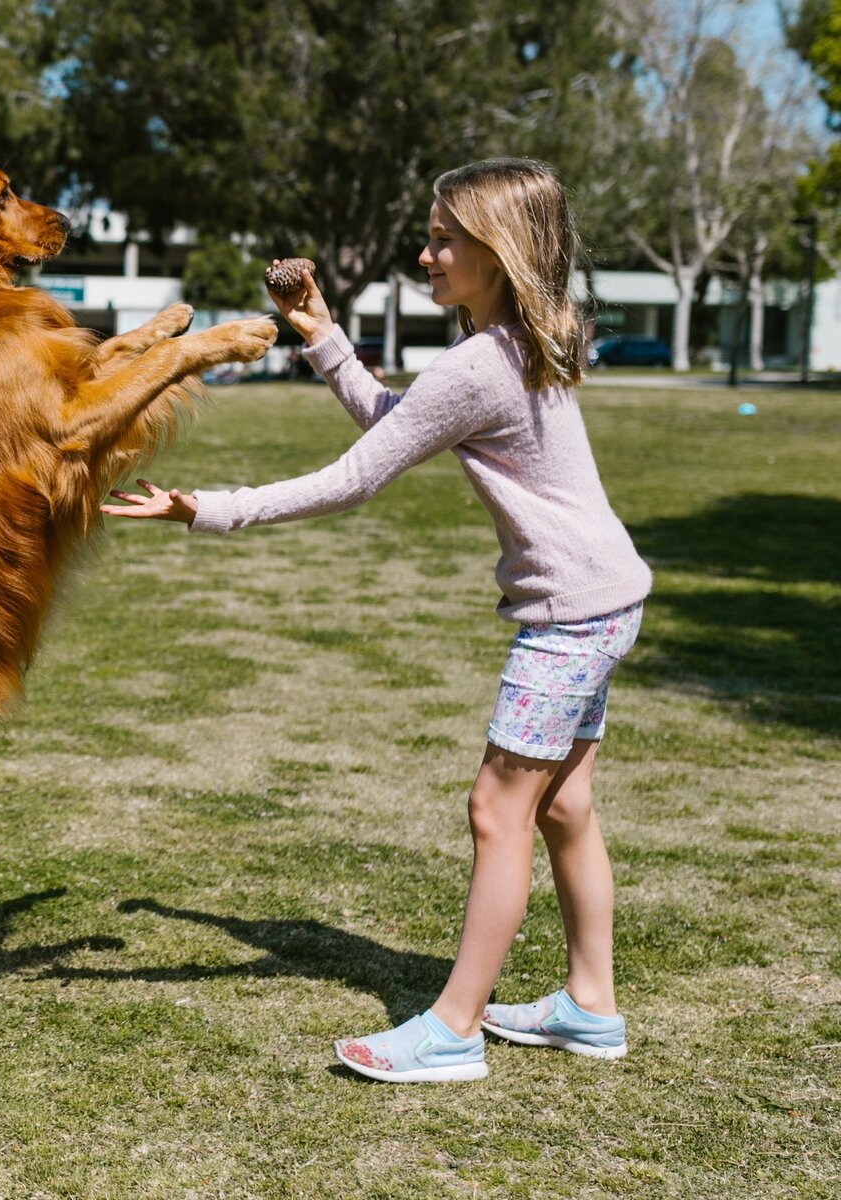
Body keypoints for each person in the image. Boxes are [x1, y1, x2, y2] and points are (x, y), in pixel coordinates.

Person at [101, 158, 652, 1083]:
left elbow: (356, 475)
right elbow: (397, 422)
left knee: (498, 808)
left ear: (498, 251)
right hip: (606, 600)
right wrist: (321, 336)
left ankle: (452, 1029)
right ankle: (589, 1004)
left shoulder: (482, 360)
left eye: (444, 239)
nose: (427, 253)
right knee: (564, 805)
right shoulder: (516, 343)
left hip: (569, 618)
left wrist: (210, 508)